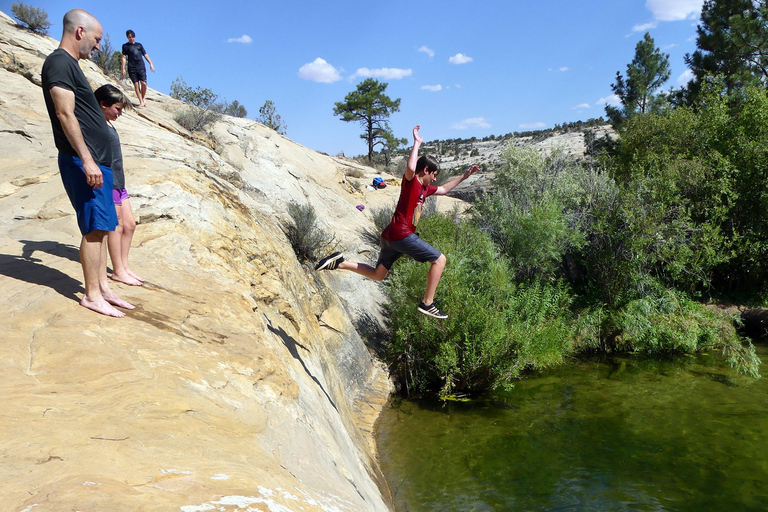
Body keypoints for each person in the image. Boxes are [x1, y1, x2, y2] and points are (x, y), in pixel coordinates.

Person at [315, 125, 479, 319]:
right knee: (440, 260)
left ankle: (340, 262)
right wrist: (417, 143)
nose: (434, 179)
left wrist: (464, 176)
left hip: (391, 236)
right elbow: (411, 168)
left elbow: (443, 189)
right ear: (425, 170)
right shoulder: (412, 182)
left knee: (378, 275)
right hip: (401, 234)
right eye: (433, 175)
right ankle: (427, 303)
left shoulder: (425, 189)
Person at [41, 9, 133, 317]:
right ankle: (92, 294)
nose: (97, 46)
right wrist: (87, 160)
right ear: (80, 31)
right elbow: (65, 113)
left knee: (104, 227)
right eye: (96, 40)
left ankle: (103, 288)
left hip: (99, 163)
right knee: (94, 228)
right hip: (86, 163)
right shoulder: (58, 62)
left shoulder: (71, 65)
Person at [94, 84, 144, 286]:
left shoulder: (108, 122)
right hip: (109, 182)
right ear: (103, 104)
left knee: (130, 224)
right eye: (117, 109)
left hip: (119, 182)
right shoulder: (97, 124)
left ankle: (124, 266)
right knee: (116, 225)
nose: (120, 114)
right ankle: (117, 270)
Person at [121, 29, 155, 107]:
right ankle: (141, 101)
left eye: (133, 36)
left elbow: (145, 55)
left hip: (141, 67)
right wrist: (123, 68)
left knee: (144, 84)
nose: (131, 38)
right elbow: (123, 57)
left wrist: (151, 63)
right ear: (127, 37)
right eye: (130, 37)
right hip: (131, 67)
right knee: (136, 85)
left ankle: (143, 97)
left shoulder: (139, 45)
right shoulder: (125, 46)